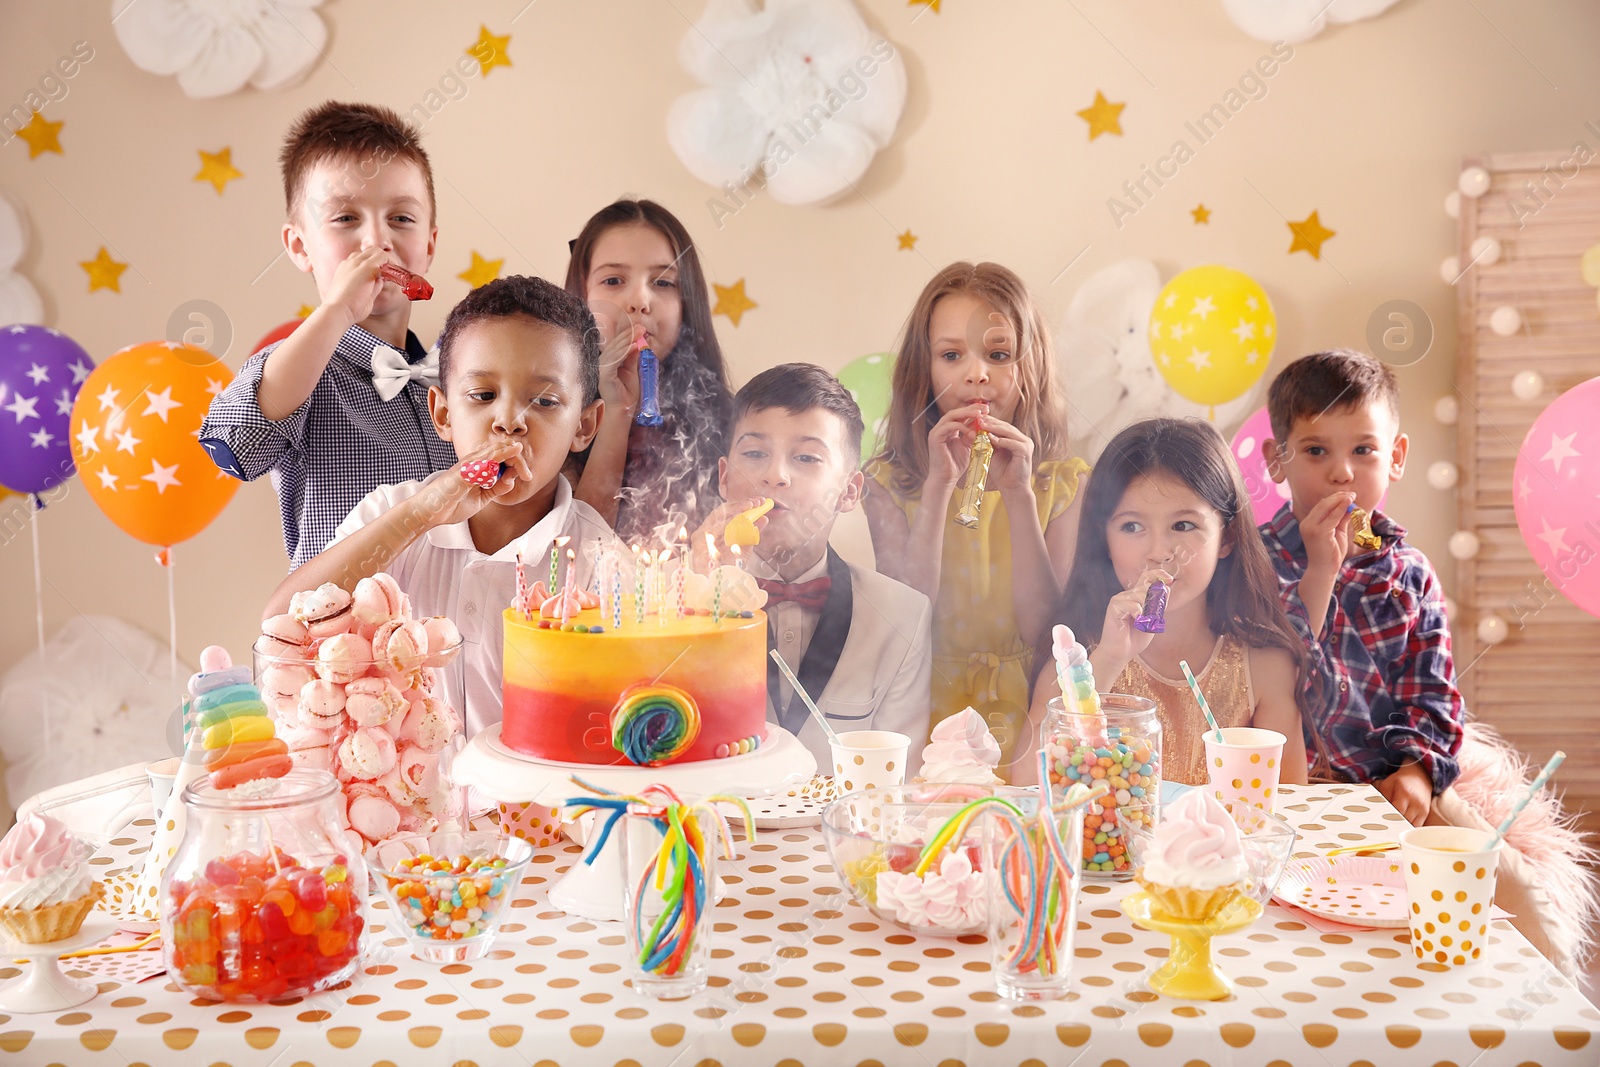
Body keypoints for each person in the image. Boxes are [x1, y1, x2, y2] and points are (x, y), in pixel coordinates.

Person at [1259, 348, 1596, 977]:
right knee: (1307, 943)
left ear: (1397, 455)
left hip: (1391, 782)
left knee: (1524, 904)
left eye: (1363, 450)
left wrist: (1416, 771)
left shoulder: (1410, 575)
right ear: (1276, 459)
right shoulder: (1255, 562)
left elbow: (1434, 696)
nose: (1341, 474)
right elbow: (1271, 680)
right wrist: (1322, 574)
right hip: (1293, 790)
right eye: (1314, 451)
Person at [263, 275, 612, 735]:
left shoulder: (596, 560)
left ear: (584, 426)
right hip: (399, 801)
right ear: (444, 414)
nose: (509, 421)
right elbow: (280, 630)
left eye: (545, 401)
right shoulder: (395, 512)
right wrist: (420, 515)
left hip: (527, 807)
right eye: (483, 396)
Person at [200, 102, 455, 568]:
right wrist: (337, 310)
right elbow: (236, 443)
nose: (377, 241)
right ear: (300, 247)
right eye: (344, 218)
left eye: (401, 218)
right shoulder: (300, 373)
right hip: (338, 634)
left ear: (430, 246)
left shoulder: (460, 377)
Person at [864, 262, 1088, 776]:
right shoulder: (888, 484)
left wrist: (1018, 496)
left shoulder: (1065, 485)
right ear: (924, 373)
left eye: (999, 354)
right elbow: (908, 620)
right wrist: (941, 487)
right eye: (951, 355)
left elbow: (1043, 629)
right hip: (922, 710)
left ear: (1030, 370)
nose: (976, 373)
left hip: (1029, 712)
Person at [1028, 418, 1310, 787]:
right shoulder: (1077, 658)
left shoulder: (1265, 665)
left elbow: (1291, 801)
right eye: (1131, 527)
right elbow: (1028, 782)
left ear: (1228, 537)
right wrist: (1109, 660)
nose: (1159, 553)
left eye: (1183, 526)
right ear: (1104, 542)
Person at [691, 364, 933, 771]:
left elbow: (896, 783)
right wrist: (703, 604)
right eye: (754, 454)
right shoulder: (672, 603)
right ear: (725, 478)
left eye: (806, 457)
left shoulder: (903, 616)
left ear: (849, 491)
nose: (775, 475)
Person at [563, 199, 734, 544]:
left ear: (689, 304)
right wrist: (617, 411)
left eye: (663, 283)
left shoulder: (729, 420)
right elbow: (580, 547)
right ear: (581, 297)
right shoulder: (554, 415)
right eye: (613, 280)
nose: (639, 300)